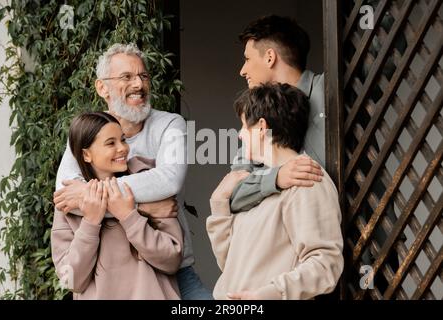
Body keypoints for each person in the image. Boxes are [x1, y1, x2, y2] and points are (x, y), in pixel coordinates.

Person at [52, 43, 213, 299]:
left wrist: (96, 197)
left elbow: (168, 180)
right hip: (105, 282)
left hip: (169, 274)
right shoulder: (86, 134)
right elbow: (65, 195)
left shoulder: (169, 124)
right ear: (102, 87)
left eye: (143, 76)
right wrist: (143, 208)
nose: (139, 84)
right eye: (127, 77)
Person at [207, 83, 344, 300]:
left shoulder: (307, 180)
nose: (240, 135)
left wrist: (269, 294)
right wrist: (218, 203)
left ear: (262, 127)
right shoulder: (259, 183)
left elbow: (325, 264)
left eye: (243, 126)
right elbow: (230, 263)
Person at [51, 112, 183, 299]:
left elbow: (171, 260)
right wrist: (90, 223)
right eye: (111, 143)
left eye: (123, 140)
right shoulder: (69, 204)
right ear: (86, 154)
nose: (123, 148)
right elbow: (71, 280)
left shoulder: (148, 184)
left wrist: (130, 216)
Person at [229, 15, 325, 214]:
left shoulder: (329, 89)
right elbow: (234, 193)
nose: (242, 70)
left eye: (247, 59)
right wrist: (276, 178)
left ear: (270, 57)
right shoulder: (256, 121)